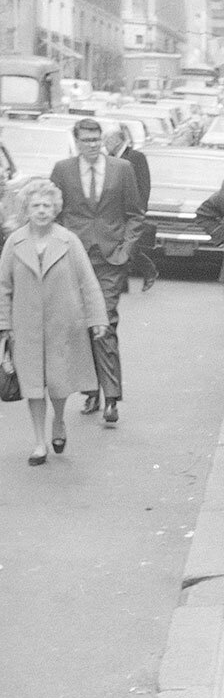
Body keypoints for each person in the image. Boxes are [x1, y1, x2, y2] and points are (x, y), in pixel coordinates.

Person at [0, 179, 108, 464]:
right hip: (25, 327)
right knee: (33, 385)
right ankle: (38, 442)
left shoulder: (68, 240)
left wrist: (98, 318)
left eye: (47, 205)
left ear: (56, 209)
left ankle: (58, 420)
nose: (42, 211)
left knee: (58, 383)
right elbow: (3, 285)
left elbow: (88, 282)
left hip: (63, 324)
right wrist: (4, 324)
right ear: (27, 209)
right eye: (36, 205)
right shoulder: (15, 242)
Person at [49, 117, 144, 427]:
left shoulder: (122, 169)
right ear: (76, 142)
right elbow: (53, 213)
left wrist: (125, 250)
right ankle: (90, 390)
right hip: (73, 259)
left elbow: (135, 215)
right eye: (86, 140)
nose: (92, 145)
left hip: (109, 260)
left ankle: (112, 396)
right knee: (80, 324)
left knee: (106, 321)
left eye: (96, 140)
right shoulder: (62, 170)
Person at [106, 125, 156, 292]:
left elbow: (143, 185)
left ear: (117, 141)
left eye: (107, 140)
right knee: (120, 244)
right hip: (115, 209)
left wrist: (140, 210)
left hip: (132, 210)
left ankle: (148, 270)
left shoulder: (136, 157)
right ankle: (124, 281)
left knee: (129, 244)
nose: (105, 144)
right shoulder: (109, 159)